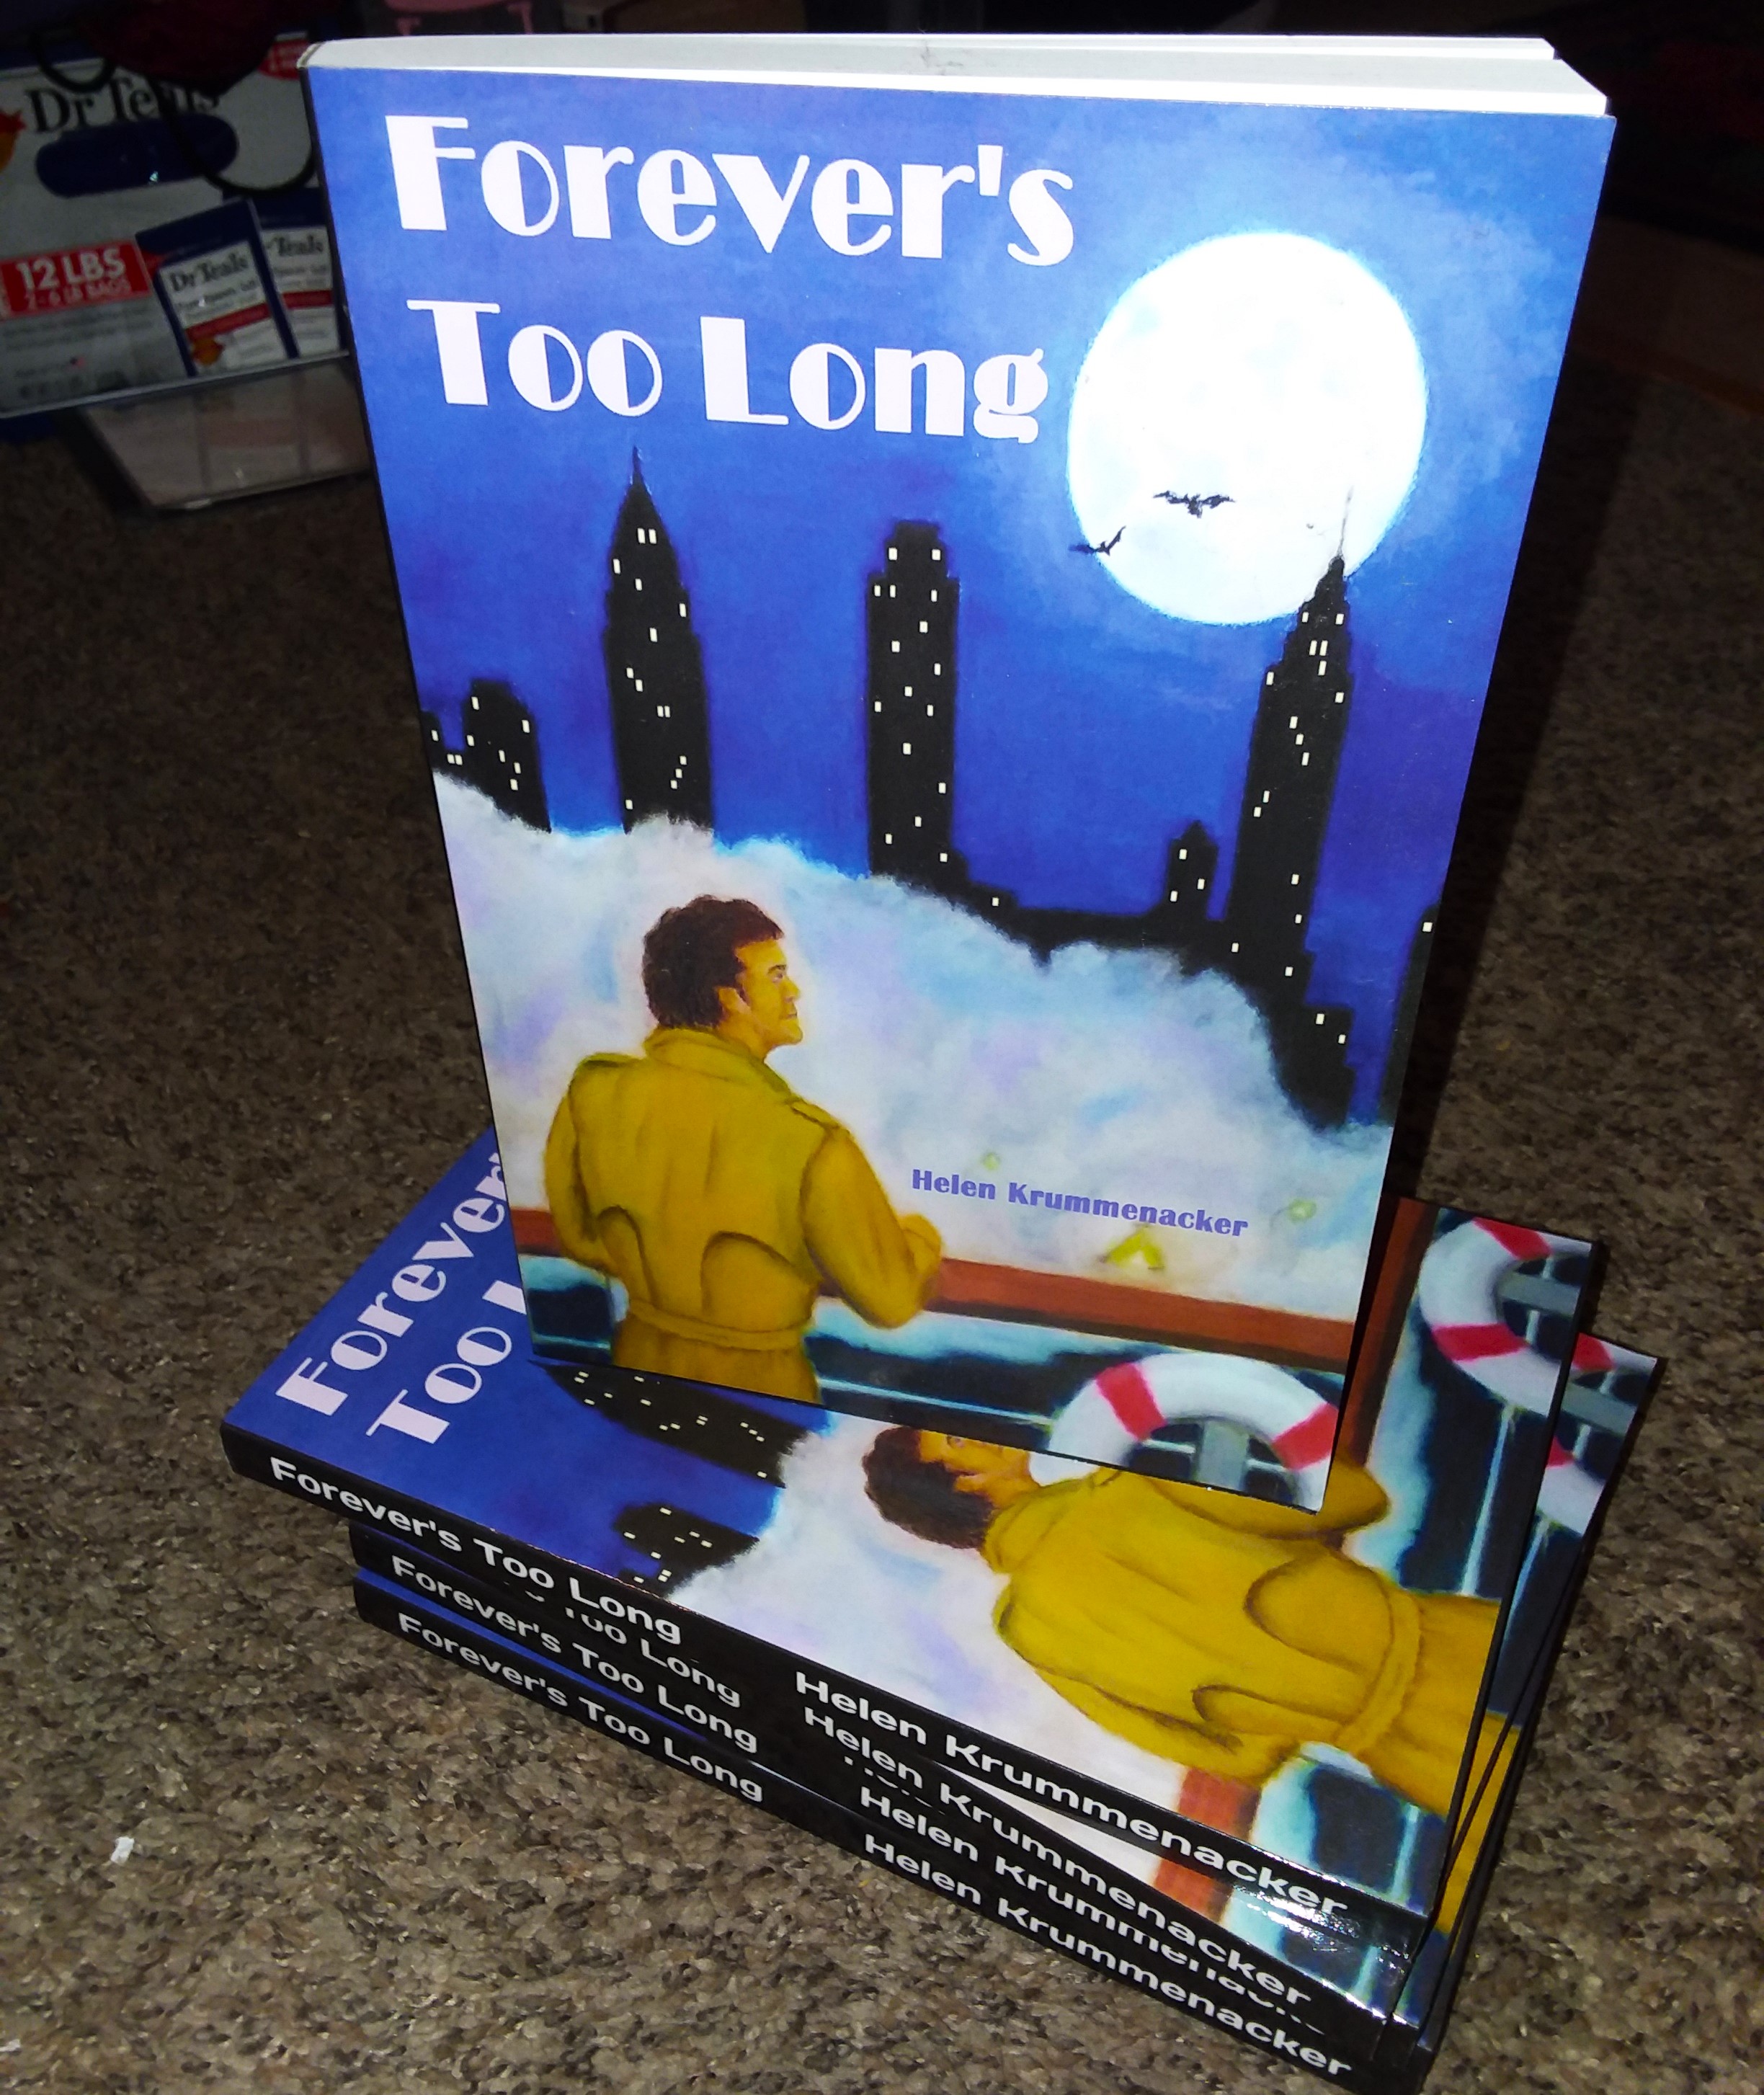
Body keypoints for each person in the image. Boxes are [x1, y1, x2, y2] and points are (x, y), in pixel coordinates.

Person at [861, 1425, 1499, 1820]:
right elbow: (1360, 1498)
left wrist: (1289, 1707)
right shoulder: (1130, 1489)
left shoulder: (1030, 1632)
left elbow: (1233, 1757)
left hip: (1407, 1755)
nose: (976, 1431)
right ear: (965, 1480)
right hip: (1455, 1645)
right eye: (955, 1439)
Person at [544, 895, 941, 1404]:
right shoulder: (810, 1141)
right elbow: (892, 1301)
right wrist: (920, 1237)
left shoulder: (594, 1091)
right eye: (776, 976)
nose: (793, 991)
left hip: (638, 1369)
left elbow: (578, 1238)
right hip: (760, 1393)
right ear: (731, 998)